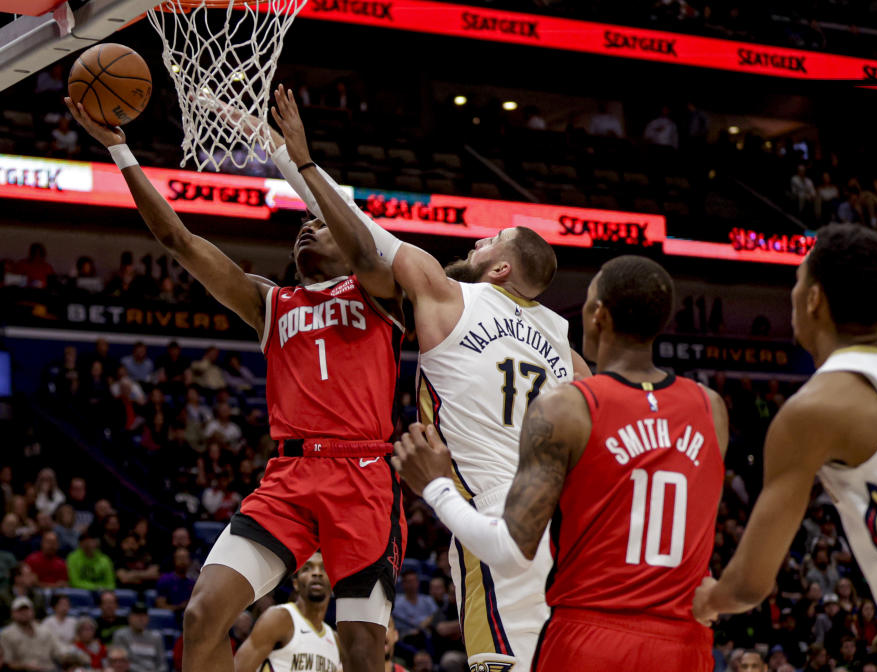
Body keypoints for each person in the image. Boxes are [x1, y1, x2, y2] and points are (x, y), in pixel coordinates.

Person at [66, 95, 407, 672]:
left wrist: (300, 163)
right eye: (301, 225)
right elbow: (179, 240)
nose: (307, 230)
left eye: (319, 226)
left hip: (364, 477)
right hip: (290, 477)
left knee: (360, 655)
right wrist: (118, 149)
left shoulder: (379, 290)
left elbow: (364, 244)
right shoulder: (268, 302)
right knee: (202, 615)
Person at [270, 84, 590, 672]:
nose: (476, 239)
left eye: (489, 240)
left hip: (497, 511)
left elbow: (364, 242)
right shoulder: (563, 340)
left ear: (499, 268)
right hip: (571, 527)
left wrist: (298, 161)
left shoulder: (449, 293)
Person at [391, 255, 728, 671]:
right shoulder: (708, 407)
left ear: (597, 315)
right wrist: (713, 588)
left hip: (591, 627)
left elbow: (509, 549)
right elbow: (698, 519)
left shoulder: (572, 408)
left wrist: (436, 487)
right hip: (680, 635)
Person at [693, 224, 877, 672]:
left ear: (813, 298)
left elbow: (749, 585)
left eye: (797, 282)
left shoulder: (815, 408)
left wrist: (707, 599)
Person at [234, 553, 341, 672]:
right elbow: (239, 668)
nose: (317, 573)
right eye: (307, 568)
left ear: (333, 583)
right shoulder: (279, 618)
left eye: (324, 569)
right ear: (295, 583)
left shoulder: (335, 640)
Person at [0, 596, 61, 672]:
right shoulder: (6, 634)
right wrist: (25, 666)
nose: (24, 613)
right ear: (12, 614)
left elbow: (59, 652)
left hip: (49, 669)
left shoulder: (45, 631)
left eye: (26, 610)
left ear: (33, 612)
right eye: (20, 610)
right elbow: (6, 662)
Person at [113, 604, 167, 672]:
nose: (140, 619)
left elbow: (162, 665)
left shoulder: (156, 638)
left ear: (148, 618)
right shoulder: (121, 636)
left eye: (143, 615)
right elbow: (121, 663)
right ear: (130, 618)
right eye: (137, 615)